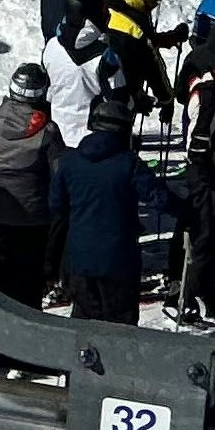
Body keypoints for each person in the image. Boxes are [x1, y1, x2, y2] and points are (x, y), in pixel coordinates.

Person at [0, 61, 61, 305]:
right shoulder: (47, 131)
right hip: (34, 214)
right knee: (30, 276)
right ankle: (28, 327)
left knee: (3, 269)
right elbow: (60, 173)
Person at [47, 105, 158, 324]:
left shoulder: (70, 162)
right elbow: (159, 197)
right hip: (119, 261)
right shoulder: (129, 164)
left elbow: (56, 206)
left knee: (83, 323)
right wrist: (191, 213)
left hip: (79, 259)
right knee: (121, 326)